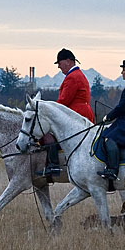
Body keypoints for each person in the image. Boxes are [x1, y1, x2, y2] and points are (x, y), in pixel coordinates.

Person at [36, 48, 96, 176]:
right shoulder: (78, 75)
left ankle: (53, 165)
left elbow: (63, 101)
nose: (58, 66)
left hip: (75, 114)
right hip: (83, 113)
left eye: (59, 62)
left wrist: (48, 109)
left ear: (68, 61)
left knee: (45, 133)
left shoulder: (72, 77)